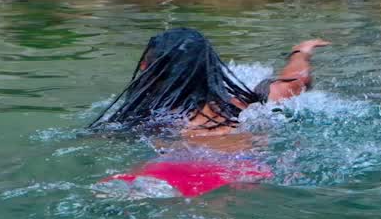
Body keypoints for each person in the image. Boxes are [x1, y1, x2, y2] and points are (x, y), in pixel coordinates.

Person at [91, 28, 329, 197]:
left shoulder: (142, 118)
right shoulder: (242, 105)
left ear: (147, 67)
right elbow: (296, 80)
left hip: (168, 168)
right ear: (211, 66)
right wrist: (301, 51)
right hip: (242, 167)